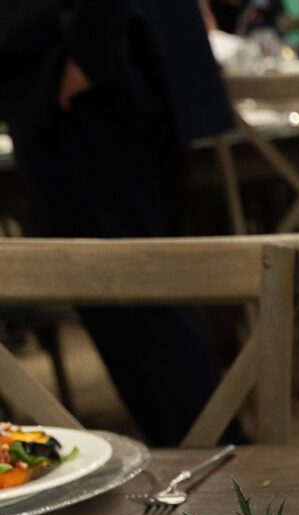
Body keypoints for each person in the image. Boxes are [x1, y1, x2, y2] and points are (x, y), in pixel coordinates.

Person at [0, 0, 239, 448]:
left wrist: (90, 56)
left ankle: (210, 457)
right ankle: (204, 455)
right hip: (87, 76)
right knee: (134, 289)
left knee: (132, 288)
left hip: (85, 88)